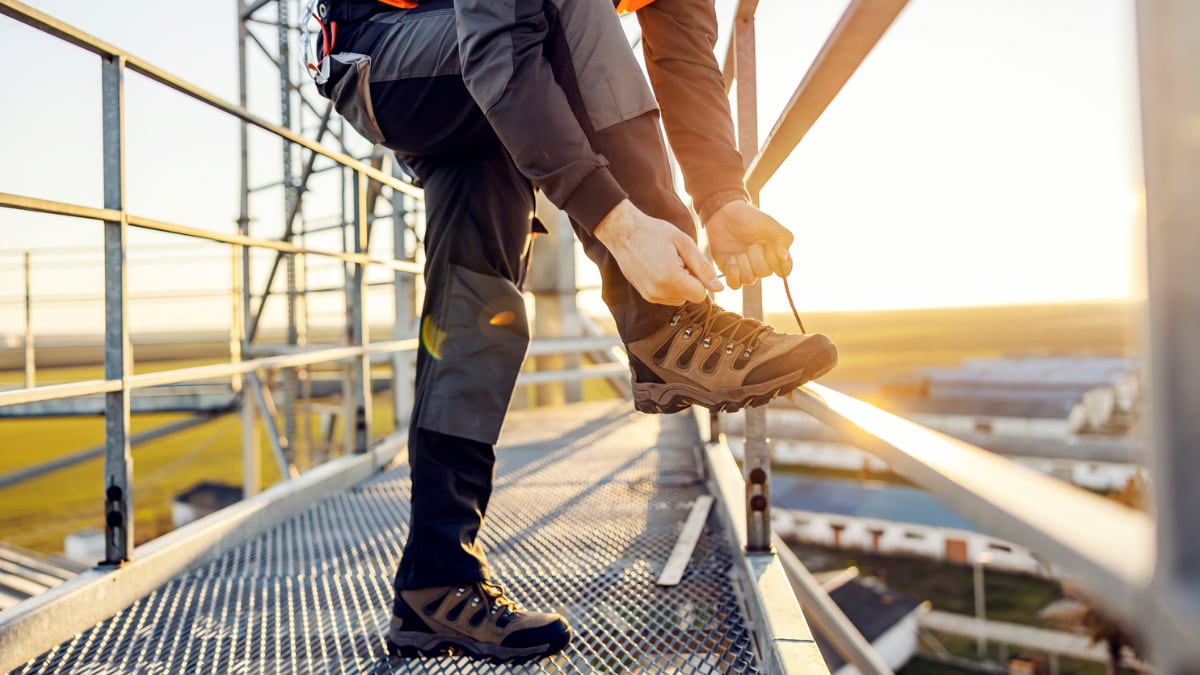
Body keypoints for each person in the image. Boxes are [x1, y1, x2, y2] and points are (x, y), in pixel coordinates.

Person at [310, 0, 837, 663]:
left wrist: (722, 199)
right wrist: (622, 228)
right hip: (379, 55)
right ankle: (666, 329)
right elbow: (502, 40)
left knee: (476, 318)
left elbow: (683, 58)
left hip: (488, 58)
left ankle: (435, 582)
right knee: (567, 16)